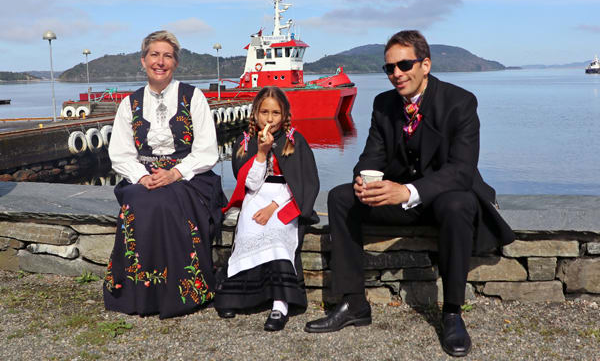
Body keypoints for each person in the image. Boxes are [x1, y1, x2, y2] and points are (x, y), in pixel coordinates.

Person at [304, 30, 516, 357]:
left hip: (443, 199)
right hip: (401, 200)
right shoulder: (383, 104)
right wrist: (363, 179)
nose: (396, 74)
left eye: (404, 65)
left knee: (458, 203)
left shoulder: (460, 102)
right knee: (341, 198)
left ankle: (452, 313)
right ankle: (354, 303)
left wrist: (406, 191)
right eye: (389, 68)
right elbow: (371, 156)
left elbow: (461, 171)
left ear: (425, 65)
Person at [103, 30, 226, 319]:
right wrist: (141, 177)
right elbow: (120, 153)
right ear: (143, 60)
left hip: (190, 176)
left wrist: (174, 174)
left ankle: (183, 291)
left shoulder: (193, 97)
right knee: (139, 199)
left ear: (175, 63)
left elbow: (207, 151)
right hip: (143, 176)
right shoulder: (129, 103)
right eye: (154, 55)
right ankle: (140, 293)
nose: (160, 62)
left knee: (168, 201)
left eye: (167, 56)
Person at [214, 86, 319, 331]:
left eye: (275, 113)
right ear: (255, 113)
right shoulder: (245, 141)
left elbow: (301, 182)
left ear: (285, 115)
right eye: (264, 112)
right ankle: (236, 296)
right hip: (256, 196)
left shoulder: (295, 140)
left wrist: (274, 207)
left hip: (286, 199)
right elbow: (250, 184)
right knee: (249, 231)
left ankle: (280, 303)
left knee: (278, 234)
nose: (269, 119)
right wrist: (261, 152)